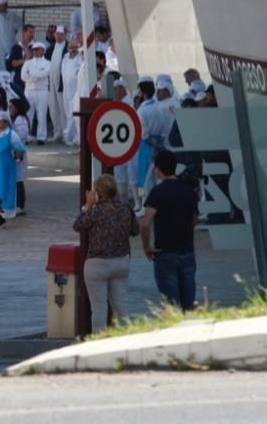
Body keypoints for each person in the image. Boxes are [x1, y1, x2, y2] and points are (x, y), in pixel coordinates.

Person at [74, 174, 139, 331]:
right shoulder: (125, 208)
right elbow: (135, 230)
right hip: (121, 261)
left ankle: (100, 343)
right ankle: (125, 340)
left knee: (99, 308)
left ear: (98, 193)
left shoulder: (96, 211)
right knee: (121, 306)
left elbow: (78, 225)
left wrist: (87, 206)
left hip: (97, 263)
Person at [140, 150, 199, 311]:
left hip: (165, 252)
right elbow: (194, 219)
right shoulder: (187, 191)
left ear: (158, 169)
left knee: (171, 306)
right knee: (188, 303)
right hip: (187, 251)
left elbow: (145, 224)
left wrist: (146, 246)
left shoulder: (157, 192)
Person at [0, 111, 26, 215]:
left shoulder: (12, 135)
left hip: (6, 167)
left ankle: (5, 211)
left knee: (5, 188)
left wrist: (14, 158)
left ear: (6, 123)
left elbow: (20, 149)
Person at [22, 41, 51, 144]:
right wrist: (36, 76)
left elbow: (45, 74)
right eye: (33, 49)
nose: (34, 51)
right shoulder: (27, 63)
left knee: (41, 115)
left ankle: (41, 137)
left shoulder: (48, 63)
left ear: (43, 50)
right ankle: (26, 136)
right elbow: (23, 76)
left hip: (42, 90)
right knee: (28, 114)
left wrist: (32, 74)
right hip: (29, 90)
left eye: (37, 49)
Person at [45, 26, 68, 142]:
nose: (58, 36)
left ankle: (65, 132)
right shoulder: (50, 49)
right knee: (53, 107)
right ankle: (57, 131)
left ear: (65, 35)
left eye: (61, 34)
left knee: (62, 107)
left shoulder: (67, 47)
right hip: (51, 80)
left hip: (61, 81)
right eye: (57, 34)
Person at [60, 38, 83, 146]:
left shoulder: (80, 59)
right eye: (71, 47)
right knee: (67, 112)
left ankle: (68, 136)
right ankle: (73, 136)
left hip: (76, 91)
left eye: (75, 47)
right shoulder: (65, 58)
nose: (73, 50)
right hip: (66, 90)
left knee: (72, 114)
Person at [7, 23, 35, 93]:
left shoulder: (35, 47)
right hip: (18, 80)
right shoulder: (16, 47)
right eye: (30, 32)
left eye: (33, 32)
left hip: (31, 81)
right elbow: (12, 64)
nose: (32, 35)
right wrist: (26, 59)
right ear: (24, 33)